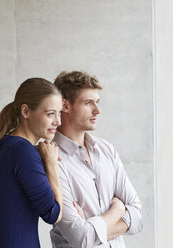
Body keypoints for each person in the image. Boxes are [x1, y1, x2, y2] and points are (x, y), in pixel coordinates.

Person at [50, 71, 143, 247]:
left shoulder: (107, 151)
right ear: (65, 106)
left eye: (97, 103)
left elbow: (137, 216)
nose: (97, 110)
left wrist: (92, 229)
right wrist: (118, 209)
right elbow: (80, 238)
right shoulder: (52, 159)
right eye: (88, 103)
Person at [0, 78, 63, 248]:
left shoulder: (6, 145)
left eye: (59, 113)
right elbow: (53, 214)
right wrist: (52, 164)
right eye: (50, 113)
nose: (58, 121)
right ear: (25, 111)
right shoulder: (22, 152)